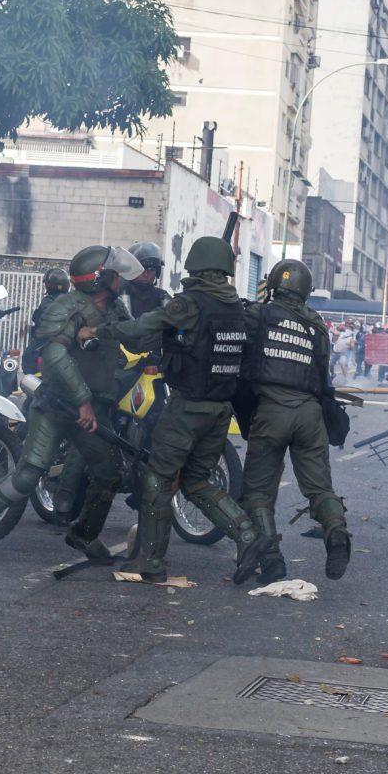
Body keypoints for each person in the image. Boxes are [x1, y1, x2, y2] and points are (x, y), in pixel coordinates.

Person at [0, 245, 142, 564]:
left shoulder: (113, 307)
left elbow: (135, 337)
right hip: (57, 408)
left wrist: (174, 327)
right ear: (99, 279)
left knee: (109, 473)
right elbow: (56, 356)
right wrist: (83, 401)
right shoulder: (64, 309)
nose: (121, 280)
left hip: (90, 411)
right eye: (115, 274)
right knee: (27, 476)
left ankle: (84, 535)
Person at [78, 234, 261, 583]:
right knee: (195, 481)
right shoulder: (236, 307)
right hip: (221, 409)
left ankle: (150, 561)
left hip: (188, 406)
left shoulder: (189, 303)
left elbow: (141, 326)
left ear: (197, 266)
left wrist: (98, 330)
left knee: (158, 479)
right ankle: (249, 536)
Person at [239, 259, 351, 584]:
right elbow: (322, 375)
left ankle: (272, 561)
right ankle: (336, 531)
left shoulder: (260, 314)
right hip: (310, 415)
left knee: (258, 491)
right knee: (319, 489)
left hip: (272, 411)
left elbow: (238, 346)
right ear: (306, 291)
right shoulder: (318, 326)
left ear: (273, 284)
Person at [21, 265, 72, 375]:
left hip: (47, 342)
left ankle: (34, 384)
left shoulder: (48, 302)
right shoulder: (72, 300)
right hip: (68, 342)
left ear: (49, 285)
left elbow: (44, 322)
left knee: (28, 358)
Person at [122, 241, 169, 320]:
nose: (145, 275)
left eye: (151, 269)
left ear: (157, 272)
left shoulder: (162, 297)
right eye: (141, 269)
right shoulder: (119, 295)